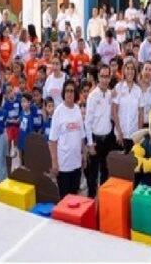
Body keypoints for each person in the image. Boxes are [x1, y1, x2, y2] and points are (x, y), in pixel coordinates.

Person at [49, 80, 87, 199]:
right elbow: (52, 141)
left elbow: (82, 135)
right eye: (67, 91)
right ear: (63, 93)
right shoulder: (58, 112)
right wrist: (54, 162)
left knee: (74, 197)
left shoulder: (77, 110)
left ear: (75, 93)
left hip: (76, 163)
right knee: (64, 199)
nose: (69, 94)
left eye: (72, 91)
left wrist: (84, 155)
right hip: (63, 165)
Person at [85, 65, 114, 198]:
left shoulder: (110, 95)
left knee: (105, 171)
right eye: (102, 76)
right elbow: (87, 122)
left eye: (107, 76)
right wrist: (90, 143)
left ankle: (104, 200)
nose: (104, 80)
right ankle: (91, 200)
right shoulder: (92, 96)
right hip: (95, 140)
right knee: (93, 174)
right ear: (98, 77)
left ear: (110, 77)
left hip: (107, 139)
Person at [112, 59, 144, 153]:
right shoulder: (119, 87)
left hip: (133, 136)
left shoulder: (138, 90)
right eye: (128, 68)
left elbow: (141, 114)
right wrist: (119, 132)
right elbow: (114, 111)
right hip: (120, 135)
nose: (130, 71)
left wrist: (139, 135)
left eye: (132, 69)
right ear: (124, 70)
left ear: (135, 71)